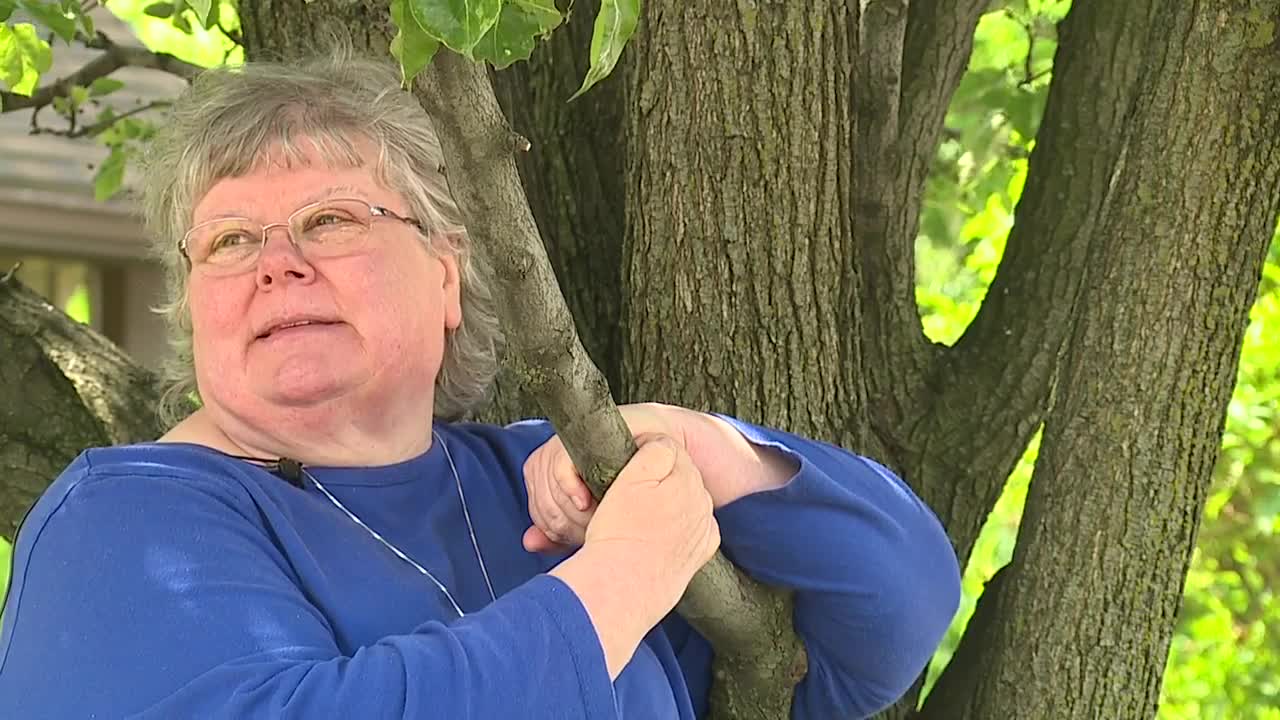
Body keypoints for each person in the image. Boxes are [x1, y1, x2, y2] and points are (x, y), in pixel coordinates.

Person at [0, 52, 960, 719]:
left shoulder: (545, 484)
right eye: (231, 240)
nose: (276, 264)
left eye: (330, 219)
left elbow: (886, 620)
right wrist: (622, 581)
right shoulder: (126, 517)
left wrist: (696, 451)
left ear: (447, 274)